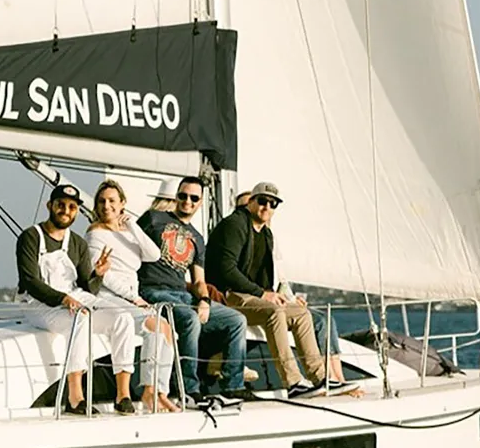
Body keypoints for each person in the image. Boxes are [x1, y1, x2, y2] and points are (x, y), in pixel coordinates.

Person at [205, 181, 356, 398]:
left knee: (301, 314)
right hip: (229, 296)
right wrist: (263, 294)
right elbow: (226, 269)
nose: (267, 207)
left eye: (273, 203)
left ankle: (320, 378)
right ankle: (293, 382)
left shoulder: (266, 234)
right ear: (251, 202)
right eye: (263, 201)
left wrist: (280, 296)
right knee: (274, 313)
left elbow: (268, 277)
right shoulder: (235, 225)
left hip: (253, 296)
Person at [16, 184, 137, 415]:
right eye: (60, 205)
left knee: (123, 318)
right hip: (37, 303)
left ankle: (123, 395)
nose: (66, 210)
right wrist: (63, 299)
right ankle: (75, 396)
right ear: (50, 206)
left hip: (73, 296)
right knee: (80, 319)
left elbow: (86, 287)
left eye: (72, 207)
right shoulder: (31, 237)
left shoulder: (78, 243)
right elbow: (31, 281)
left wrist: (98, 275)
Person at [137, 177, 256, 405]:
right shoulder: (154, 218)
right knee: (190, 319)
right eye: (183, 196)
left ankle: (233, 385)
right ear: (176, 196)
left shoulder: (198, 239)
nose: (187, 201)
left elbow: (199, 280)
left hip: (183, 295)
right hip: (153, 291)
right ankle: (188, 388)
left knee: (237, 319)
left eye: (194, 198)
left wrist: (204, 299)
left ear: (200, 202)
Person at [86, 180, 180, 413]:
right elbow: (104, 276)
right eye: (101, 201)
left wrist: (134, 228)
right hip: (111, 297)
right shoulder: (95, 234)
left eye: (111, 201)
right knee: (156, 326)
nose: (106, 206)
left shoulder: (128, 233)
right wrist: (133, 298)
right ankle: (149, 392)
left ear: (122, 205)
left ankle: (158, 391)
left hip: (131, 298)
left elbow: (154, 254)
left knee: (167, 329)